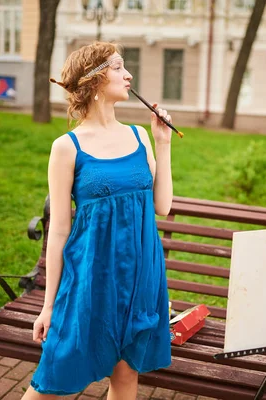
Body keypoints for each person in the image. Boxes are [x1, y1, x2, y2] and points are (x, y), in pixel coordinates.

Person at [22, 42, 174, 399]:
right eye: (119, 67)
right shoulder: (67, 147)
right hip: (91, 277)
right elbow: (59, 229)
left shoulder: (140, 137)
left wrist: (163, 142)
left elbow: (162, 206)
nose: (128, 75)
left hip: (140, 276)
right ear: (93, 80)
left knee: (125, 376)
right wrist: (48, 306)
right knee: (55, 373)